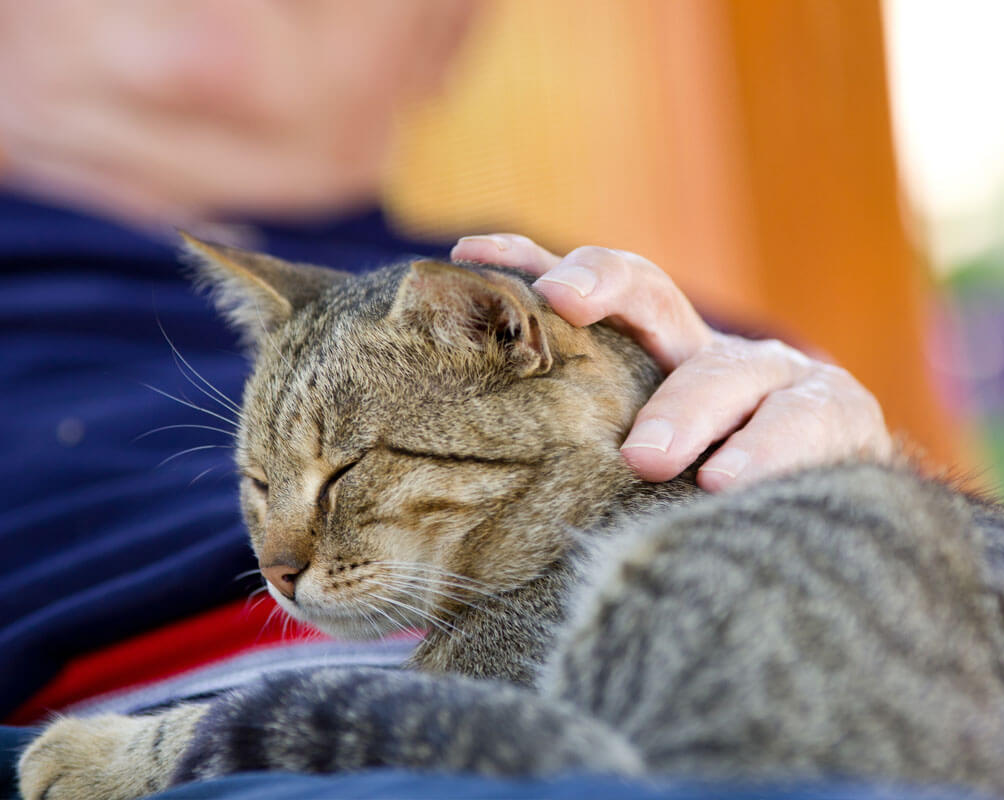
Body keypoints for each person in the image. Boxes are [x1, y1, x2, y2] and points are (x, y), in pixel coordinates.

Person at [0, 0, 889, 774]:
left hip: (698, 684)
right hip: (151, 733)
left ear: (449, 29)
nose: (275, 562)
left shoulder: (656, 317)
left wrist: (873, 533)